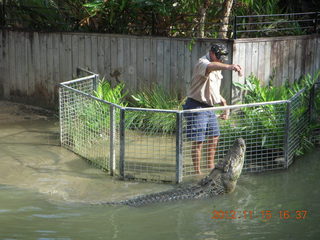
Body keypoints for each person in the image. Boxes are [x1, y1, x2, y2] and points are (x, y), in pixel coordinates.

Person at [183, 44, 243, 174]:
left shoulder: (218, 64)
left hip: (209, 108)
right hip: (196, 105)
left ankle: (210, 168)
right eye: (219, 57)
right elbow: (210, 67)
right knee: (199, 141)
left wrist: (224, 103)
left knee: (214, 137)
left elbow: (212, 89)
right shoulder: (202, 62)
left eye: (223, 59)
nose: (221, 60)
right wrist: (230, 67)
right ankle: (197, 173)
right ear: (211, 53)